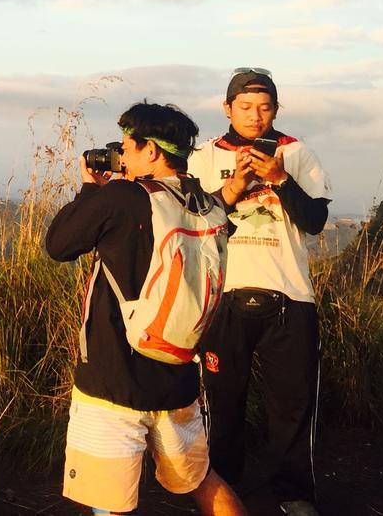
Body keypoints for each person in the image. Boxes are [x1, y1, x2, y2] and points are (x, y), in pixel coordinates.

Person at [46, 101, 246, 516]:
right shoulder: (204, 203)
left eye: (127, 146)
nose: (121, 156)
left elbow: (59, 245)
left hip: (114, 379)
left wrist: (91, 189)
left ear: (151, 152)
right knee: (202, 481)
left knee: (109, 504)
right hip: (177, 374)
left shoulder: (122, 196)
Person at [191, 70, 331, 516]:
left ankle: (294, 494)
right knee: (221, 401)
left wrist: (280, 179)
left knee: (291, 404)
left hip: (289, 293)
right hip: (222, 294)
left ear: (276, 109)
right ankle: (222, 490)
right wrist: (235, 188)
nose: (255, 116)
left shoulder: (297, 152)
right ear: (227, 107)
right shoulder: (206, 156)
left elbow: (314, 222)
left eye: (265, 106)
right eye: (246, 107)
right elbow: (195, 221)